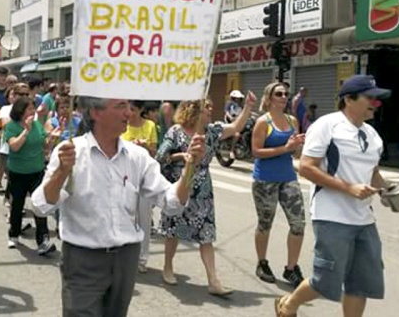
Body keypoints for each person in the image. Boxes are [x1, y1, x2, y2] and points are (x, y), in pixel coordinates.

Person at [31, 97, 206, 317]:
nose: (129, 113)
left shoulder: (137, 156)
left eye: (129, 107)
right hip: (82, 258)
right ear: (96, 112)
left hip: (126, 258)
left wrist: (190, 168)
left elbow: (172, 203)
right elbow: (40, 206)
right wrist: (61, 172)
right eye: (120, 107)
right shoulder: (71, 152)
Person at [275, 75, 392, 317]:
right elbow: (306, 167)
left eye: (377, 99)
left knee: (360, 282)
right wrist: (348, 188)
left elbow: (373, 172)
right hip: (331, 216)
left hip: (364, 219)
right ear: (349, 99)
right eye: (370, 98)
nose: (375, 103)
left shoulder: (373, 135)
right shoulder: (327, 125)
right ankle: (289, 305)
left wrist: (388, 190)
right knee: (325, 280)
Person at [156, 93, 256, 296]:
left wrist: (248, 107)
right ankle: (168, 267)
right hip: (181, 184)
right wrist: (181, 156)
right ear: (193, 110)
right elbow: (161, 155)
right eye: (207, 107)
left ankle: (213, 280)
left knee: (206, 234)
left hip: (203, 191)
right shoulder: (176, 132)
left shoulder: (212, 131)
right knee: (174, 229)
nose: (211, 110)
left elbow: (236, 127)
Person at [250, 82, 306, 288]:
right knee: (265, 223)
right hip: (265, 179)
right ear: (269, 98)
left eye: (286, 94)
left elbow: (295, 153)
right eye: (279, 94)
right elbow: (256, 152)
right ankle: (262, 262)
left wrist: (299, 146)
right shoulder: (263, 122)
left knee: (298, 224)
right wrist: (285, 148)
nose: (284, 97)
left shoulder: (292, 120)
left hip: (288, 178)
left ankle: (291, 268)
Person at [4, 96, 56, 255]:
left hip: (37, 171)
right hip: (18, 172)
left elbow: (45, 147)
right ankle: (14, 234)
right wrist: (25, 130)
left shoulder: (37, 125)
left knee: (40, 205)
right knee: (17, 205)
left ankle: (43, 240)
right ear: (20, 111)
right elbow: (14, 147)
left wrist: (52, 138)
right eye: (29, 109)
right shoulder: (11, 126)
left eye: (34, 109)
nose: (33, 112)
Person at [121, 100, 159, 274]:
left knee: (144, 219)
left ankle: (142, 258)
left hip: (144, 179)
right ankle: (125, 255)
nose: (130, 113)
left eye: (133, 109)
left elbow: (154, 153)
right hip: (125, 179)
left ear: (141, 110)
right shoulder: (123, 126)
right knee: (126, 218)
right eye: (128, 109)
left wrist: (144, 147)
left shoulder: (150, 126)